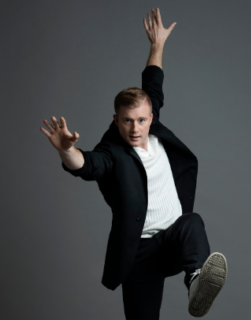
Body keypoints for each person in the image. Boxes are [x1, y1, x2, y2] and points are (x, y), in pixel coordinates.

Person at [40, 8, 227, 319]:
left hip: (172, 242)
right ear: (116, 120)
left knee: (192, 222)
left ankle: (195, 281)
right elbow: (88, 165)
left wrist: (157, 44)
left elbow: (152, 83)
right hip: (139, 254)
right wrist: (65, 150)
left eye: (141, 119)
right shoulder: (112, 151)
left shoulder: (152, 123)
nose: (135, 128)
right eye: (127, 121)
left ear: (151, 117)